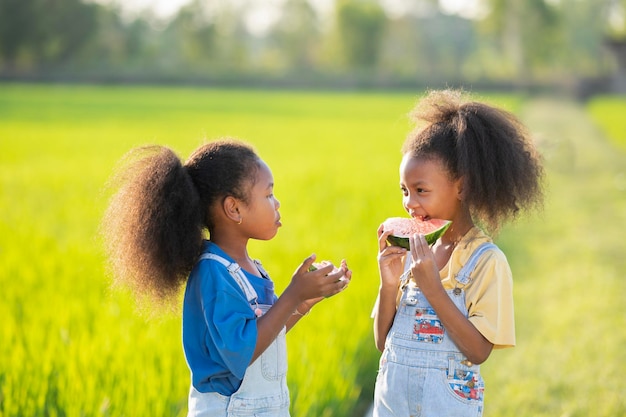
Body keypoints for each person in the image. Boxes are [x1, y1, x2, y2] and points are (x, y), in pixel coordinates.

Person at [101, 139, 351, 417]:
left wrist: (303, 302)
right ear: (234, 209)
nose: (277, 203)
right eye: (268, 195)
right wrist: (292, 294)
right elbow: (240, 350)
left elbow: (261, 335)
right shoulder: (213, 272)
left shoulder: (251, 267)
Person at [372, 90, 543, 417]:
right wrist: (389, 285)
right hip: (392, 403)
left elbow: (478, 351)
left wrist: (433, 289)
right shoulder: (412, 252)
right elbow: (382, 342)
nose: (409, 203)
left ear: (462, 187)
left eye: (421, 190)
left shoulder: (487, 262)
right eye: (404, 191)